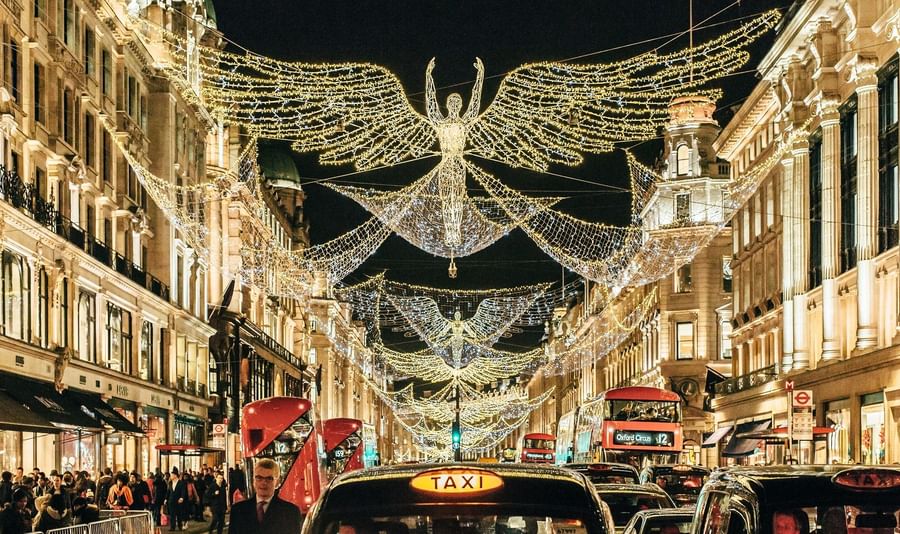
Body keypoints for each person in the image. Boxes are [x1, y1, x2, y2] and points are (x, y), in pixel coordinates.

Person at [228, 459, 301, 534]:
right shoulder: (237, 510)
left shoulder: (291, 512)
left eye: (269, 478)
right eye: (259, 478)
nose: (263, 483)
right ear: (253, 481)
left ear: (277, 482)